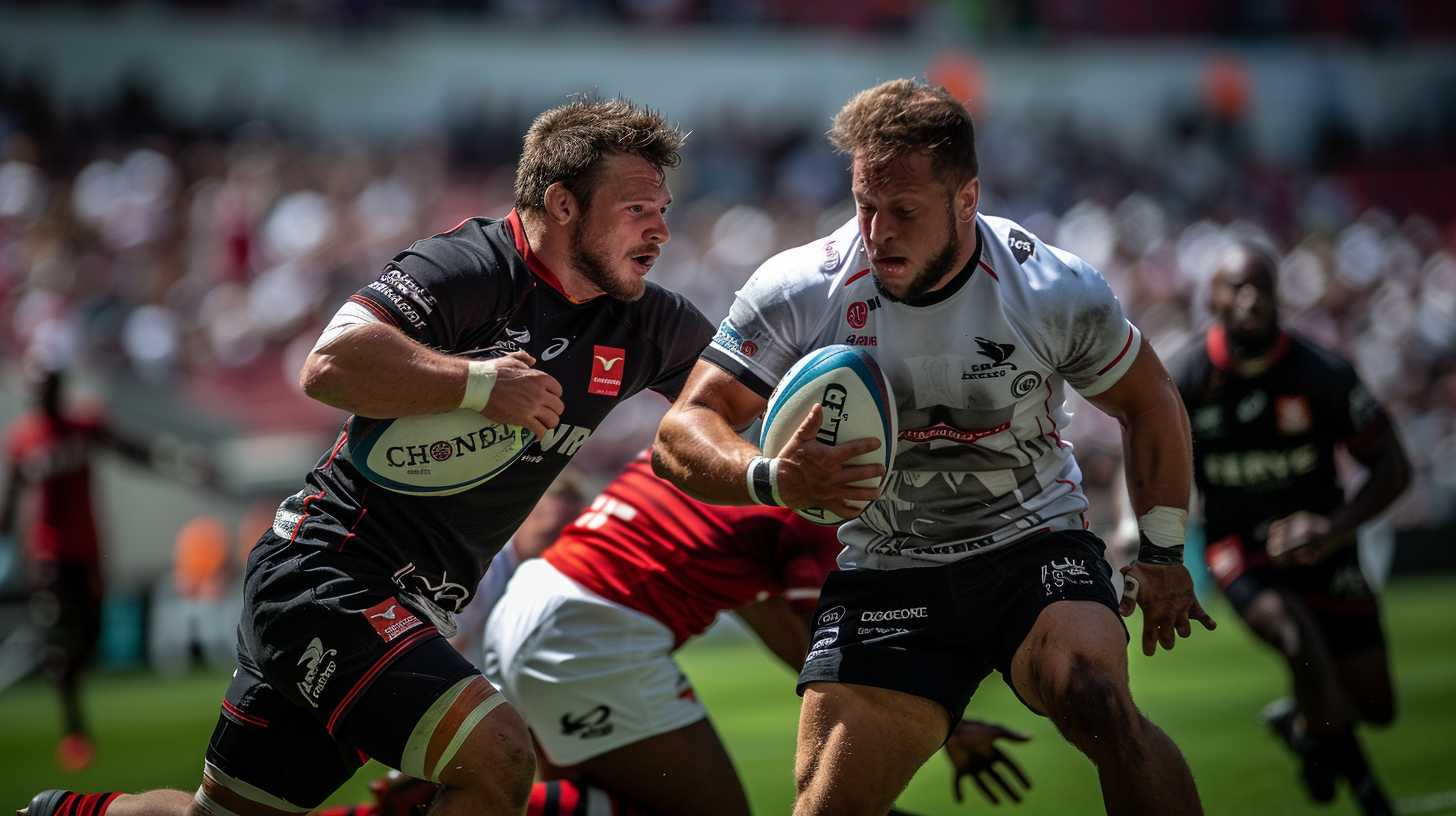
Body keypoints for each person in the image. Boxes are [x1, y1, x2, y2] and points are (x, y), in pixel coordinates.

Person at [20, 96, 714, 816]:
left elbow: (742, 401)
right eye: (638, 209)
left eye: (663, 209)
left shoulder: (648, 321)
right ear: (563, 204)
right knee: (500, 755)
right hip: (325, 575)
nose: (661, 230)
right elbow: (330, 364)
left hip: (411, 603)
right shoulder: (472, 266)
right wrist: (480, 385)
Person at [652, 79, 1214, 816]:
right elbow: (682, 430)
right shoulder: (799, 287)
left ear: (966, 199)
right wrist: (770, 476)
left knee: (1096, 696)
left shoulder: (1049, 287)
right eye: (864, 205)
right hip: (889, 568)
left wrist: (1165, 552)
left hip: (1032, 543)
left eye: (904, 211)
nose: (878, 231)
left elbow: (1151, 401)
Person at [322, 449, 1034, 816]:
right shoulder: (805, 503)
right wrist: (941, 728)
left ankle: (450, 802)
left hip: (535, 612)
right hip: (592, 632)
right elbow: (837, 652)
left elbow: (780, 628)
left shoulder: (706, 451)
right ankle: (438, 806)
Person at [1167, 241, 1410, 816]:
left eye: (1261, 287)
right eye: (1237, 287)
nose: (1250, 299)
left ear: (1279, 297)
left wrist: (1333, 529)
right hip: (1238, 550)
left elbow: (1393, 465)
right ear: (1213, 298)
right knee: (1298, 639)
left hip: (1324, 545)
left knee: (1376, 705)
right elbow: (1148, 460)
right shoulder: (1184, 378)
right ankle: (1370, 793)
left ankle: (1305, 728)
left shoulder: (1321, 372)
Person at [1, 361, 209, 771]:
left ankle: (68, 678)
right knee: (62, 638)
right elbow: (10, 503)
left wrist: (174, 460)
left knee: (91, 633)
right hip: (48, 556)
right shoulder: (23, 441)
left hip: (89, 551)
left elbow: (127, 448)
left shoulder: (83, 428)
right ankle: (73, 729)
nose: (44, 397)